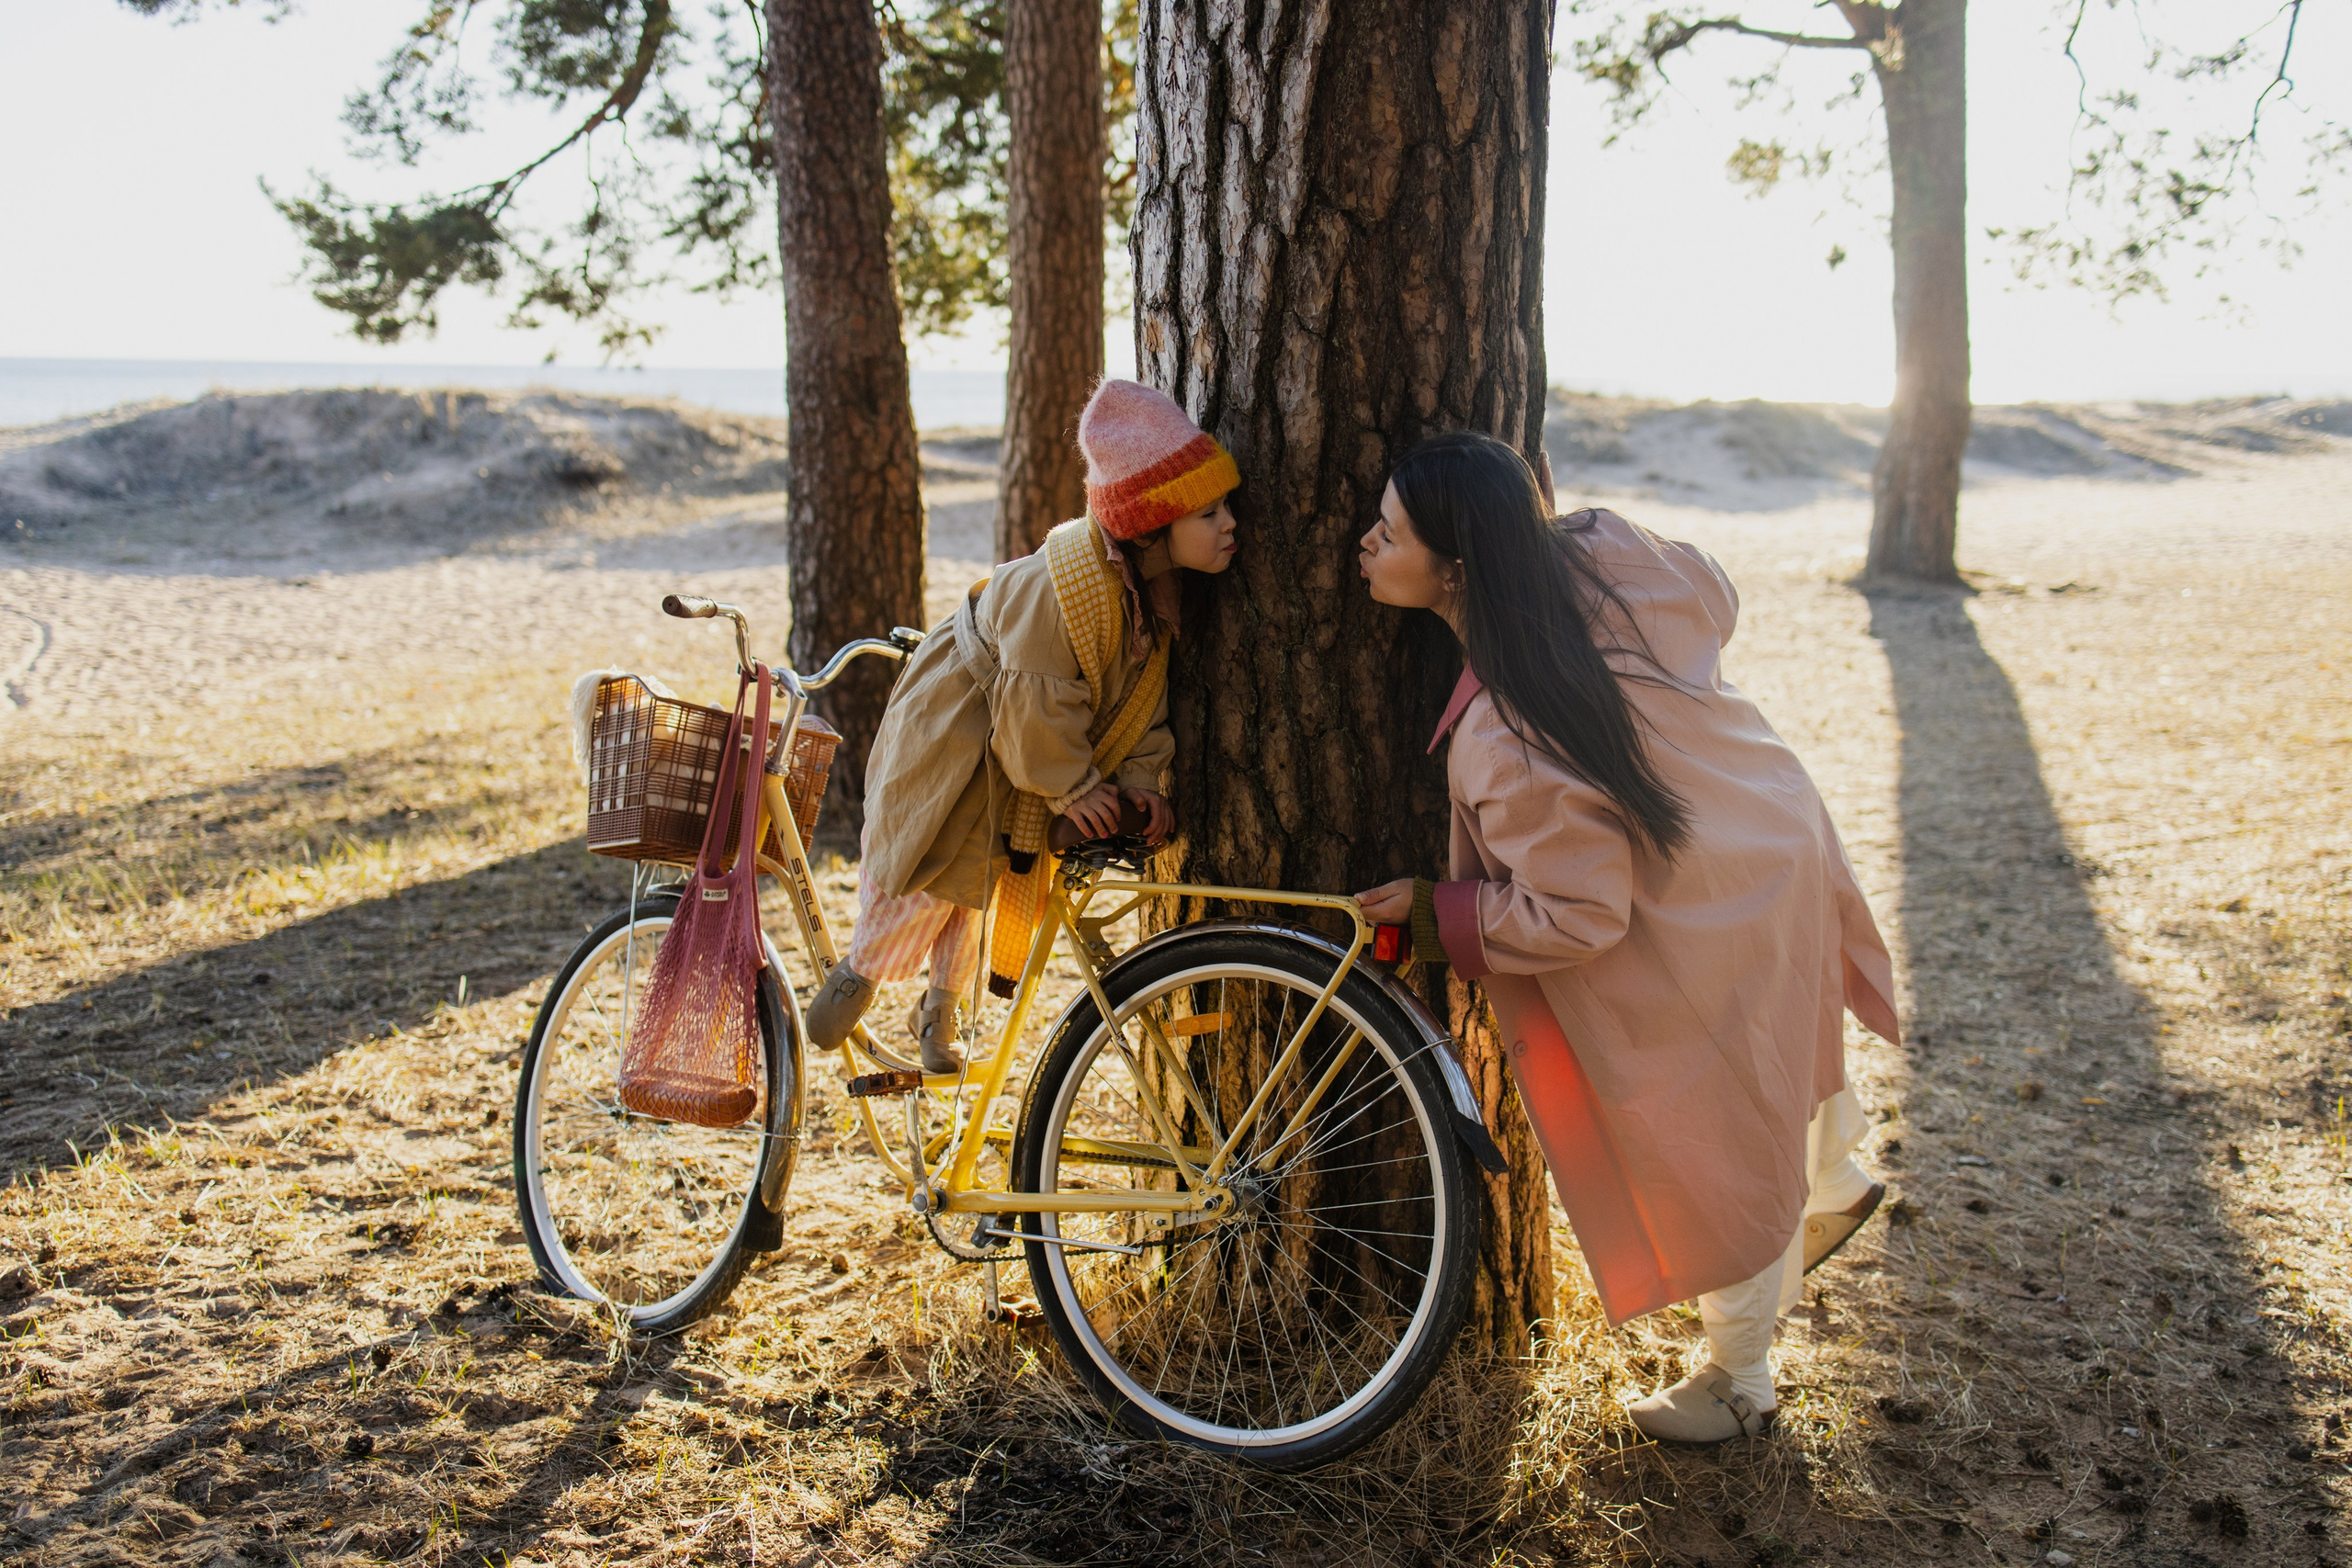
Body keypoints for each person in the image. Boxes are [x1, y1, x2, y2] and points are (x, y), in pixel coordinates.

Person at [1353, 431, 1897, 1446]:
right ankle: (1831, 1181)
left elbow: (1577, 914)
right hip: (1769, 833)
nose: (1362, 546)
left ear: (1457, 568)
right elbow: (1712, 591)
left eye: (1387, 534)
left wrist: (1439, 915)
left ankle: (1741, 1383)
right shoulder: (1604, 555)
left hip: (1707, 904)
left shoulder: (1506, 738)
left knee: (1714, 1134)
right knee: (1775, 1061)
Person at [805, 380, 1241, 1072]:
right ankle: (858, 972)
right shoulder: (1063, 588)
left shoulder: (1150, 604)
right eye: (1208, 511)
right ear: (1152, 524)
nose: (1229, 525)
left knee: (978, 886)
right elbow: (1036, 700)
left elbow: (1140, 705)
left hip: (1013, 757)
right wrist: (1071, 785)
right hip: (962, 734)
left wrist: (1139, 778)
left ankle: (939, 1015)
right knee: (927, 866)